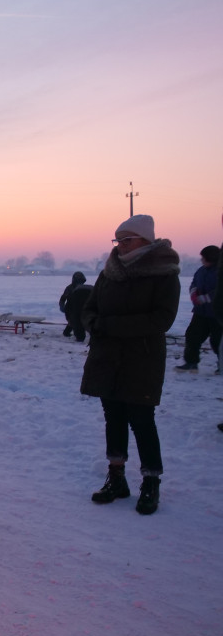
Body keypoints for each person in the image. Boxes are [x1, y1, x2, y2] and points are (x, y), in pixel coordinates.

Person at [81, 214, 180, 516]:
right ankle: (117, 478)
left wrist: (109, 326)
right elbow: (89, 309)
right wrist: (94, 323)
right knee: (113, 418)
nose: (121, 246)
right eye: (118, 240)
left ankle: (151, 482)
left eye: (128, 240)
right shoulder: (109, 272)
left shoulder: (163, 273)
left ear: (145, 240)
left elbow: (161, 319)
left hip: (143, 359)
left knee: (141, 419)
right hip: (107, 357)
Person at [175, 245, 221, 372]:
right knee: (192, 336)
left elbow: (219, 291)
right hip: (200, 312)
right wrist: (193, 293)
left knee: (217, 341)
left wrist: (205, 298)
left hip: (217, 314)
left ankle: (221, 364)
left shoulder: (220, 272)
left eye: (203, 258)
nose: (201, 260)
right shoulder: (201, 271)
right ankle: (191, 362)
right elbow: (194, 283)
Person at [59, 272, 88, 339]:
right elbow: (63, 298)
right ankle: (70, 333)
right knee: (73, 321)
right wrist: (62, 306)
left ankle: (68, 332)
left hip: (81, 308)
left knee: (76, 321)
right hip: (70, 308)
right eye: (78, 281)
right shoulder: (69, 288)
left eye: (81, 281)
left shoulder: (83, 288)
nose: (80, 283)